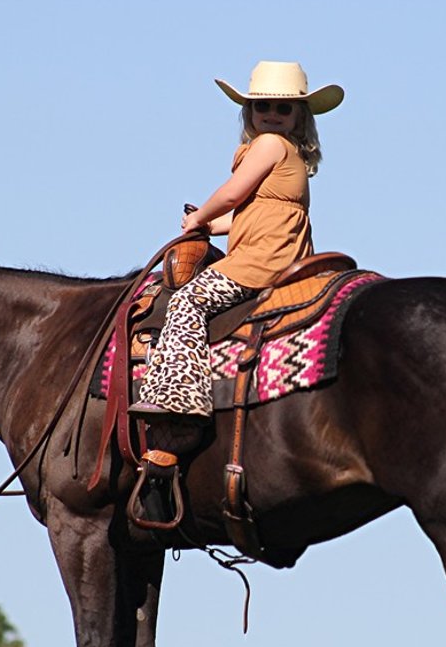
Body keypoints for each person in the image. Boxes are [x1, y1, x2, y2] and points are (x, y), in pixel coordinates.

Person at [129, 60, 344, 422]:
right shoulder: (287, 151)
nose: (272, 113)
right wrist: (211, 228)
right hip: (278, 252)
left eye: (283, 107)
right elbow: (251, 213)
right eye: (263, 106)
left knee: (187, 301)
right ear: (249, 111)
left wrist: (201, 216)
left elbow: (232, 195)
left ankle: (181, 395)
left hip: (261, 259)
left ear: (298, 116)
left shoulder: (270, 144)